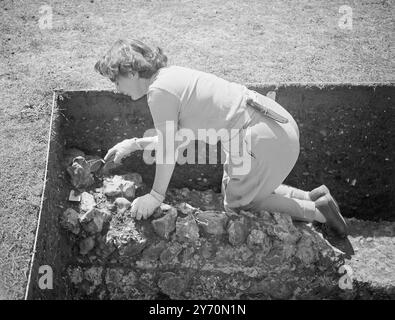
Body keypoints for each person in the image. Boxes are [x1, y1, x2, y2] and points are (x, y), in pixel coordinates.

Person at [94, 39, 348, 237]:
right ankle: (314, 197)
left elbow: (170, 148)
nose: (116, 89)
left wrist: (156, 196)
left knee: (238, 205)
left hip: (257, 140)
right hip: (277, 126)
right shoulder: (172, 77)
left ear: (130, 72)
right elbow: (176, 139)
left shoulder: (158, 93)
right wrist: (134, 145)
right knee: (243, 188)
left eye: (115, 80)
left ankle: (317, 213)